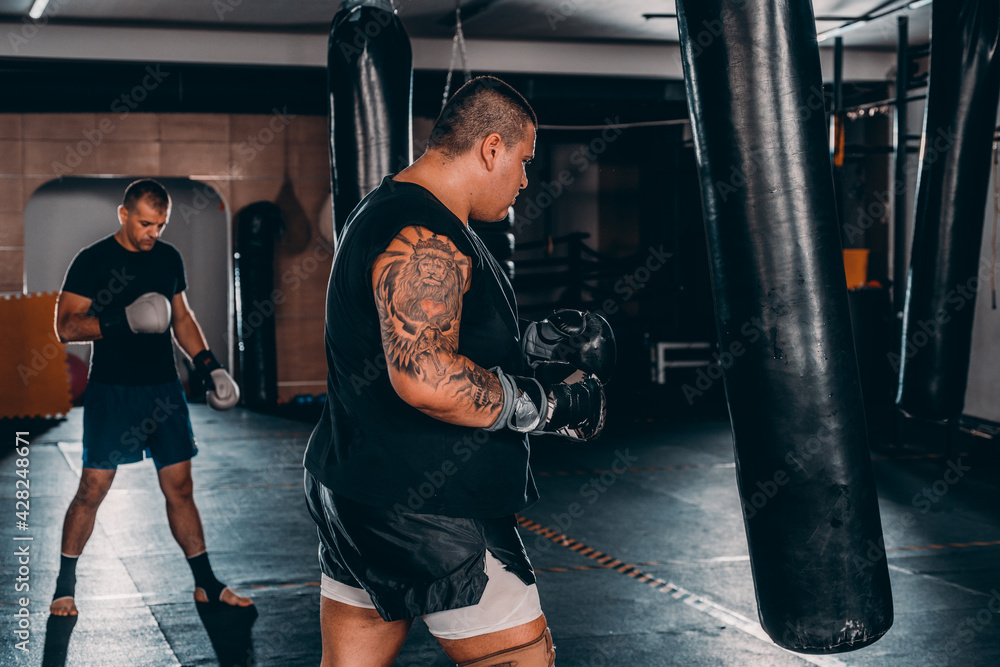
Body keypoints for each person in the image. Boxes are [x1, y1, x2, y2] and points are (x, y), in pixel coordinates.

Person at [303, 76, 611, 666]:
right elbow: (424, 376)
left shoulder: (388, 210)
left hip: (355, 489)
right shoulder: (425, 235)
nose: (525, 179)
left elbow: (425, 335)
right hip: (429, 508)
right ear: (492, 148)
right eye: (524, 161)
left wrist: (532, 345)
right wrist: (547, 406)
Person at [50, 178, 252, 616]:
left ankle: (206, 584)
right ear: (124, 214)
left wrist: (210, 366)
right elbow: (65, 325)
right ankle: (65, 586)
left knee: (181, 487)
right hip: (112, 391)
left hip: (163, 390)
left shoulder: (167, 257)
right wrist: (121, 321)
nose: (152, 233)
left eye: (160, 225)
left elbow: (181, 318)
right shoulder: (93, 260)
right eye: (145, 224)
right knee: (93, 488)